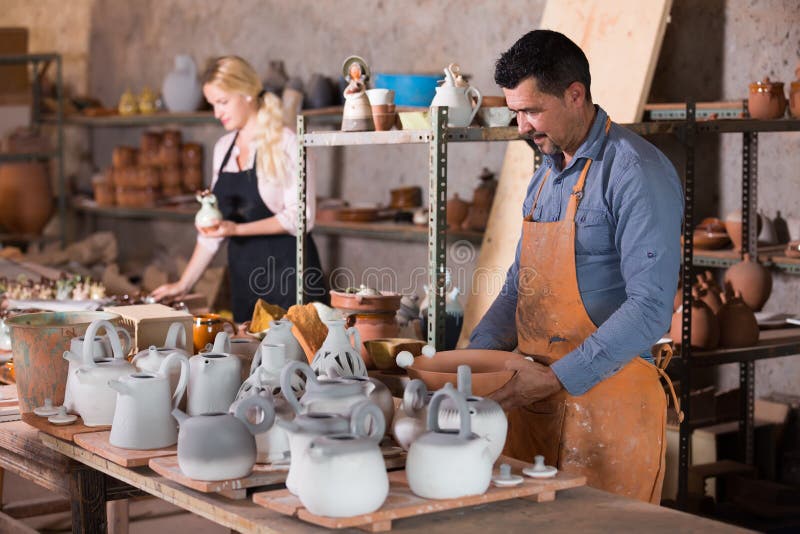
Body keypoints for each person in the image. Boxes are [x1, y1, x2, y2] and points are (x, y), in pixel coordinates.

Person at [468, 30, 683, 503]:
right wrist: (471, 363)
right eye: (515, 112)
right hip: (539, 401)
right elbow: (519, 288)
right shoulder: (546, 172)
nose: (522, 126)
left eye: (532, 110)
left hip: (609, 406)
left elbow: (651, 309)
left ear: (575, 94)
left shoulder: (635, 172)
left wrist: (556, 378)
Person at [152, 56, 325, 322]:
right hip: (245, 283)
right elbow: (213, 232)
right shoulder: (223, 149)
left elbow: (301, 217)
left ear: (246, 94)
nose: (216, 113)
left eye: (222, 102)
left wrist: (237, 229)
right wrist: (184, 284)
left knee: (295, 360)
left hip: (291, 282)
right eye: (212, 105)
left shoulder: (287, 142)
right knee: (250, 359)